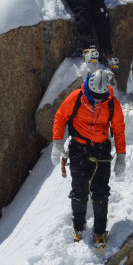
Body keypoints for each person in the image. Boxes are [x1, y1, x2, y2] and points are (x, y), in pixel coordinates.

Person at [51, 69, 126, 247]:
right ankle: (79, 227)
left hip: (101, 150)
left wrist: (121, 156)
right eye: (95, 95)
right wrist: (57, 142)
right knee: (79, 191)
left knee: (100, 193)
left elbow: (119, 130)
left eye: (101, 95)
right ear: (88, 89)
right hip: (79, 148)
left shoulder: (112, 104)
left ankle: (100, 231)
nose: (98, 99)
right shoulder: (76, 97)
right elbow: (60, 117)